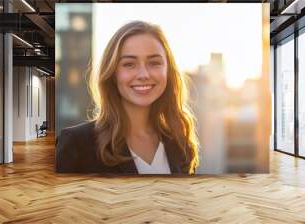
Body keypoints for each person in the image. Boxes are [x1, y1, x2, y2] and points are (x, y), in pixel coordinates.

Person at [56, 21, 199, 174]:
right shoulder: (76, 143)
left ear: (168, 71)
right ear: (112, 73)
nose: (144, 75)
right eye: (129, 64)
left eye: (154, 63)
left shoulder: (179, 142)